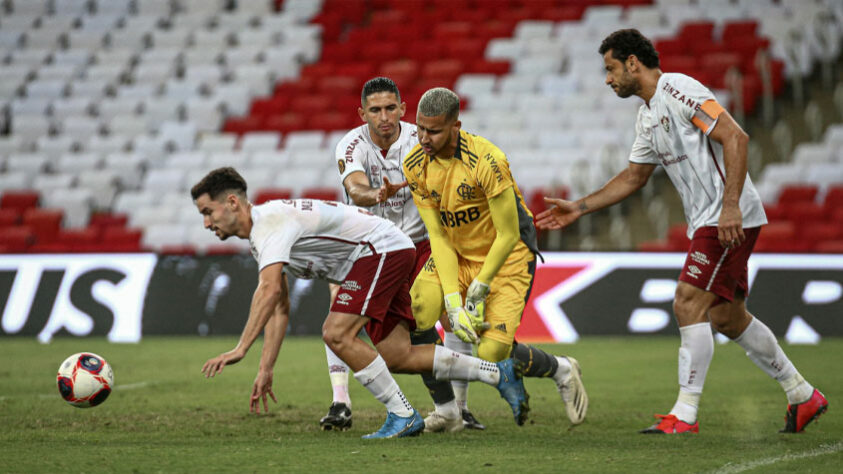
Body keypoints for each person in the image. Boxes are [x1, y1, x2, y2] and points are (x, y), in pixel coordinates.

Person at [536, 29, 828, 434]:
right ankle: (802, 394)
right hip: (709, 220)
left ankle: (685, 414)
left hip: (726, 217)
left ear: (633, 63)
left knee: (687, 302)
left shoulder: (678, 88)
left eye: (611, 69)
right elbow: (635, 177)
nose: (608, 79)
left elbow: (735, 137)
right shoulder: (647, 114)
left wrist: (729, 208)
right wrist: (579, 207)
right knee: (727, 317)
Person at [192, 167, 529, 439]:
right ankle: (498, 373)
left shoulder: (269, 225)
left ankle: (402, 416)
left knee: (336, 333)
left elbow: (266, 292)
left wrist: (240, 349)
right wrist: (265, 368)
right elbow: (279, 305)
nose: (207, 223)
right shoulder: (264, 231)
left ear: (233, 203)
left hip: (379, 250)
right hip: (385, 251)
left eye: (208, 212)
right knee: (397, 355)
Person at [402, 87, 589, 427]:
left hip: (506, 254)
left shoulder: (488, 161)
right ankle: (450, 411)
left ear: (455, 126)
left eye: (433, 130)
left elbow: (509, 233)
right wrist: (453, 301)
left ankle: (561, 368)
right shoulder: (414, 164)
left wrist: (481, 285)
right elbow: (439, 236)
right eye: (419, 129)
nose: (424, 138)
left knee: (491, 352)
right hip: (457, 251)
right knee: (418, 310)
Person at [322, 77, 485, 433]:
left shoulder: (420, 138)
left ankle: (459, 405)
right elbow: (355, 188)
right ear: (362, 113)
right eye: (375, 110)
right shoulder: (351, 145)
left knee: (439, 315)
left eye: (390, 108)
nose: (384, 117)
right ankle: (340, 401)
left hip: (421, 243)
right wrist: (376, 195)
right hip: (372, 248)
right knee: (344, 315)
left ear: (403, 109)